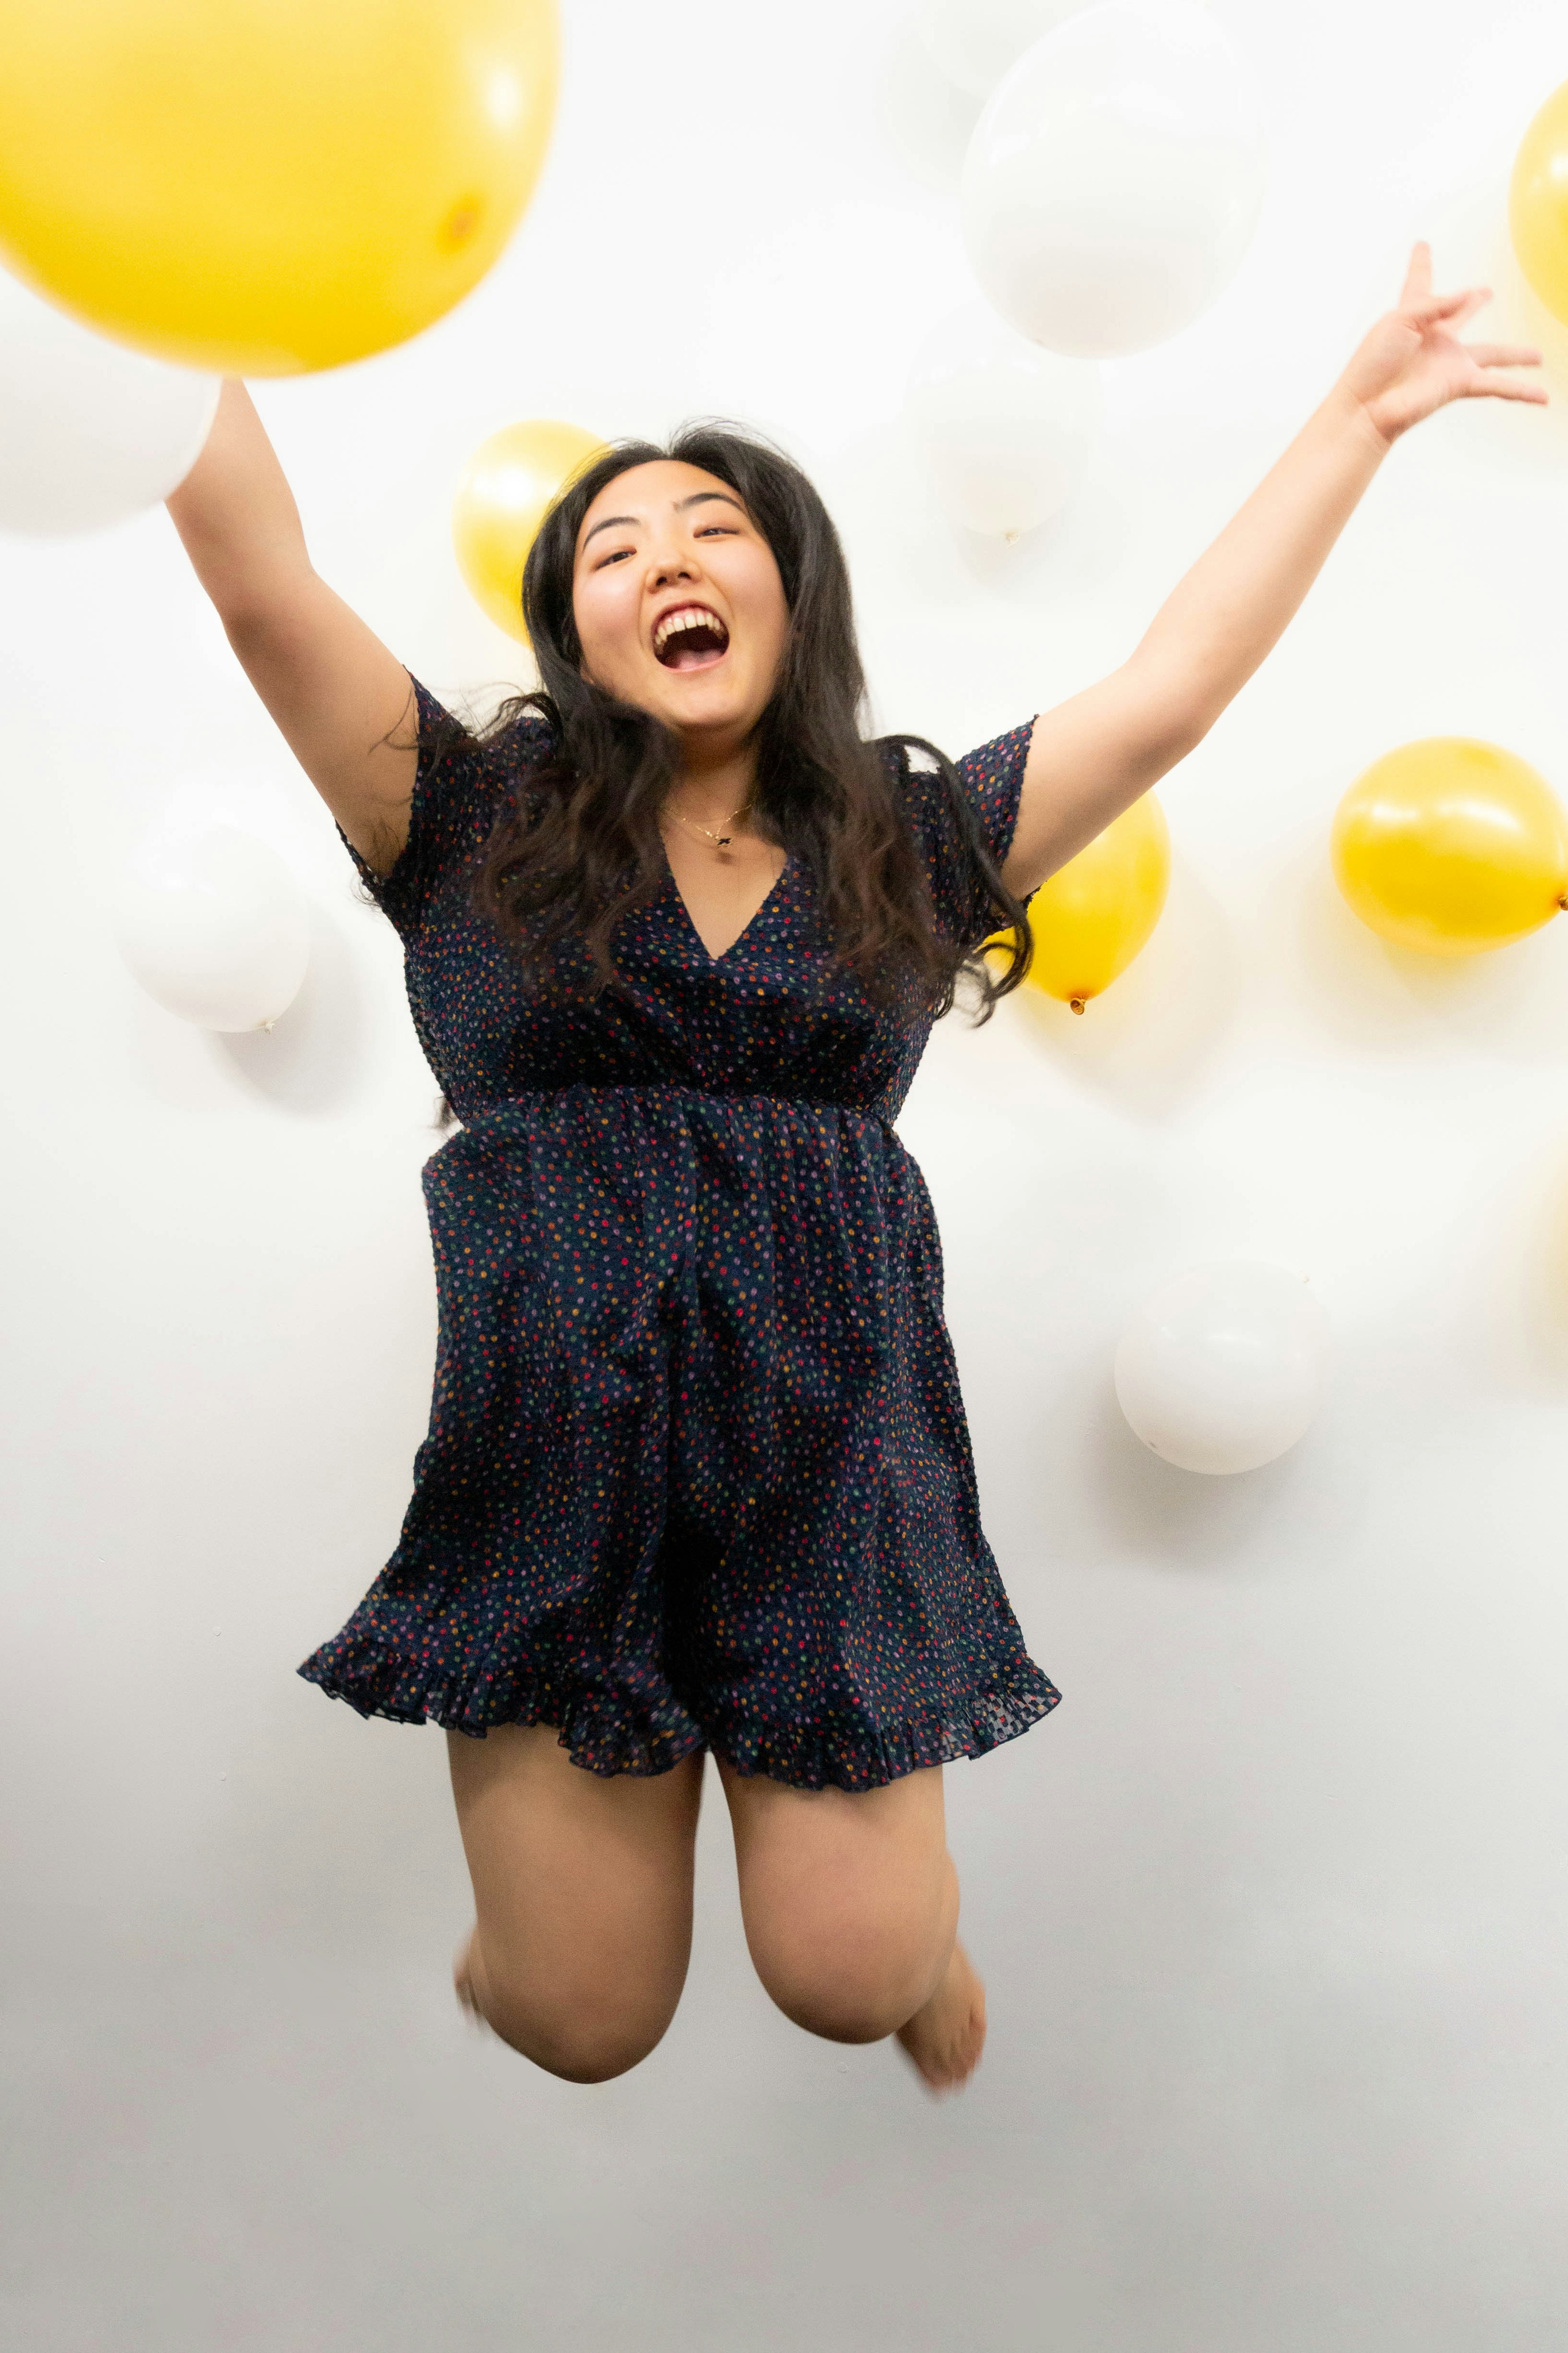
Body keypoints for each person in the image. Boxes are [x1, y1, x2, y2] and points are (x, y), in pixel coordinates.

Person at [165, 243, 1542, 2095]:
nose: (665, 558)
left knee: (849, 1969)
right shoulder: (462, 816)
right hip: (555, 1472)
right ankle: (523, 1966)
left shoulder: (913, 843)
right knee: (586, 2024)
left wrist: (1362, 412)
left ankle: (920, 1943)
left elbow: (1166, 690)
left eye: (713, 526)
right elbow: (264, 588)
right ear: (575, 635)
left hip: (833, 1472)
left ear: (791, 595)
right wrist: (142, 303)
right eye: (612, 546)